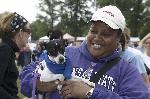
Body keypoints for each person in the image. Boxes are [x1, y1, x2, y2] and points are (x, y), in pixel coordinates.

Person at [19, 5, 149, 99]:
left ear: (118, 38)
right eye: (93, 31)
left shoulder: (126, 70)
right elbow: (26, 74)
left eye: (106, 33)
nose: (97, 37)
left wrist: (91, 93)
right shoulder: (67, 53)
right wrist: (39, 84)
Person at [0, 11, 31, 99]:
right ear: (20, 33)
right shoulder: (5, 49)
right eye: (28, 31)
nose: (29, 34)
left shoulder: (7, 49)